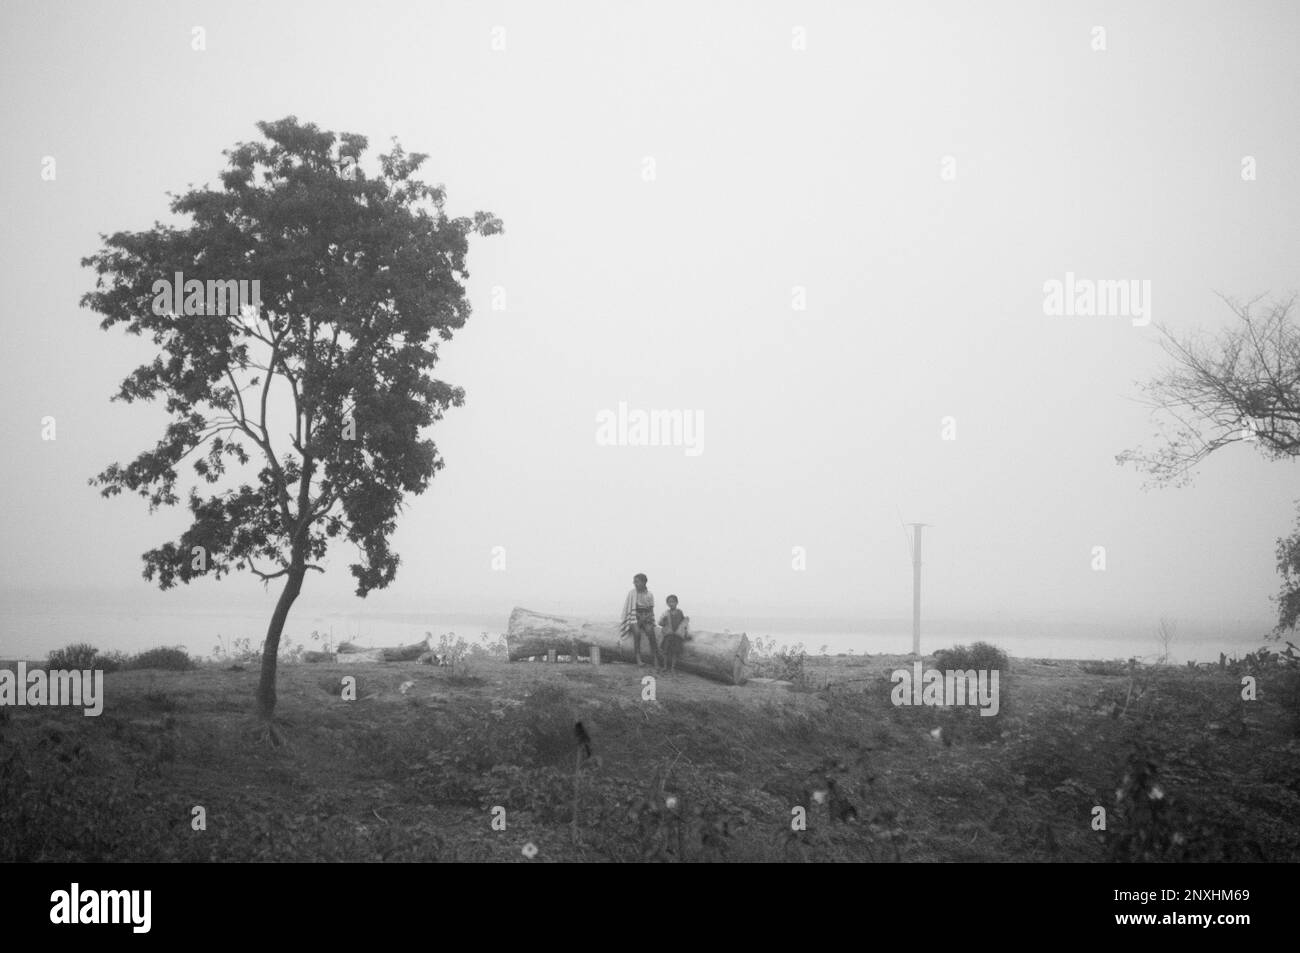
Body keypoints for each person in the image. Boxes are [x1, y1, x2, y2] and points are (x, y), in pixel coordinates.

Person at [620, 573, 660, 668]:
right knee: (637, 633)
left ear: (644, 582)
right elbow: (630, 608)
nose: (635, 583)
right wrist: (638, 617)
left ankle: (655, 658)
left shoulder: (649, 594)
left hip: (646, 616)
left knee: (650, 632)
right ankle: (638, 658)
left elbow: (651, 610)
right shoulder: (632, 593)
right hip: (635, 616)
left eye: (637, 582)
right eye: (634, 582)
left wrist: (646, 618)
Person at [658, 594, 690, 674]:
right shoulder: (666, 613)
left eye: (673, 602)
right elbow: (660, 623)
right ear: (667, 604)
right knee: (665, 651)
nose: (671, 604)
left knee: (675, 652)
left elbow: (683, 623)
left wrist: (685, 632)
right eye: (669, 602)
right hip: (668, 635)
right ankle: (665, 667)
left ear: (677, 603)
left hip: (677, 636)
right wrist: (663, 620)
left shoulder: (679, 612)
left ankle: (673, 668)